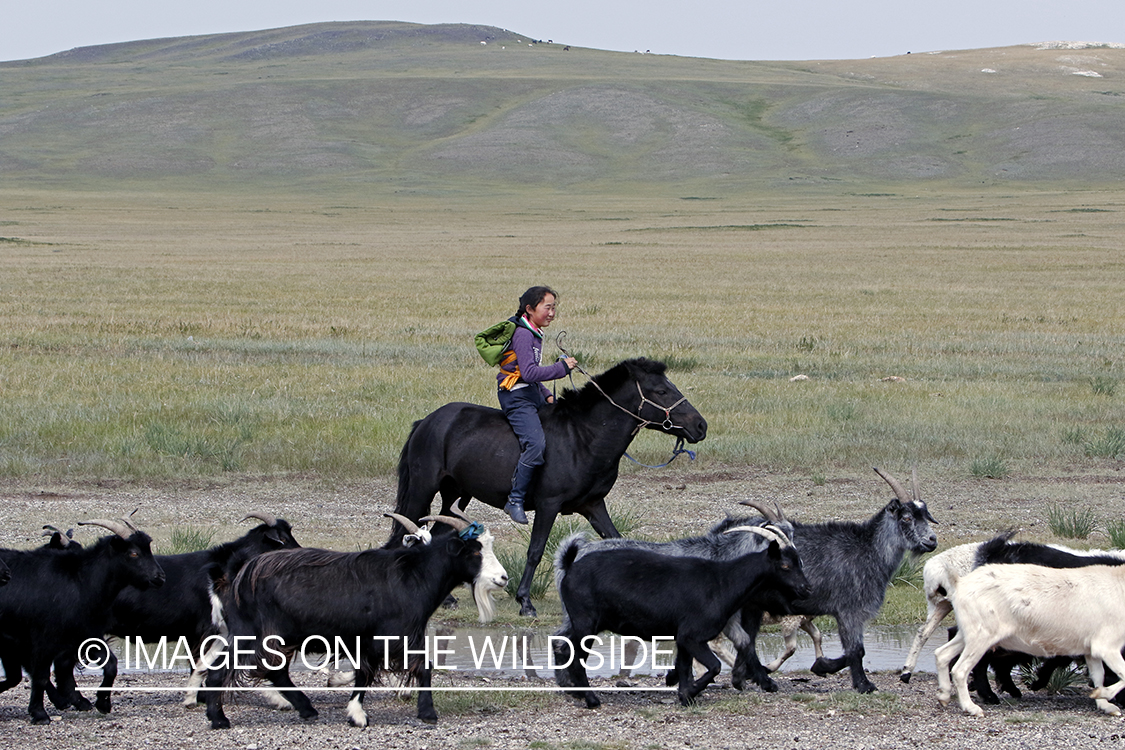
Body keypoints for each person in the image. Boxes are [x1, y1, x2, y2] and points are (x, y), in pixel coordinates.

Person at [496, 286, 578, 524]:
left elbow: (526, 373)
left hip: (531, 392)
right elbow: (530, 373)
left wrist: (546, 395)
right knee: (535, 443)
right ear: (530, 309)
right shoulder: (523, 334)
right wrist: (562, 369)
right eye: (547, 307)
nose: (552, 313)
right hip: (517, 398)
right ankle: (515, 499)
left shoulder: (534, 332)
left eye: (554, 308)